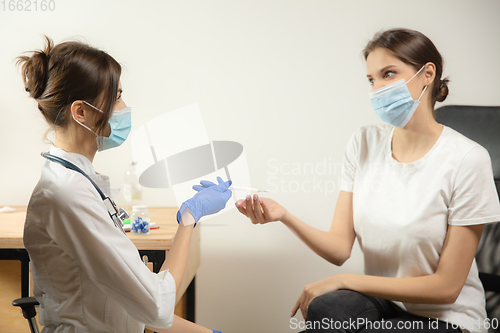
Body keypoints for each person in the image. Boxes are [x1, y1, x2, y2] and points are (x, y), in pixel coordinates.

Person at [236, 28, 500, 333]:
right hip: (385, 306)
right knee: (327, 308)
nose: (378, 88)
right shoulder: (363, 143)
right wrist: (283, 215)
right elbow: (339, 248)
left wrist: (346, 280)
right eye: (372, 79)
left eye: (389, 74)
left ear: (427, 74)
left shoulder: (468, 159)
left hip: (448, 319)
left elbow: (446, 288)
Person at [19, 36, 230, 333]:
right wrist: (188, 220)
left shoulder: (79, 180)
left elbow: (131, 301)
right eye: (116, 97)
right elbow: (156, 304)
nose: (125, 107)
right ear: (80, 112)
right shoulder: (67, 194)